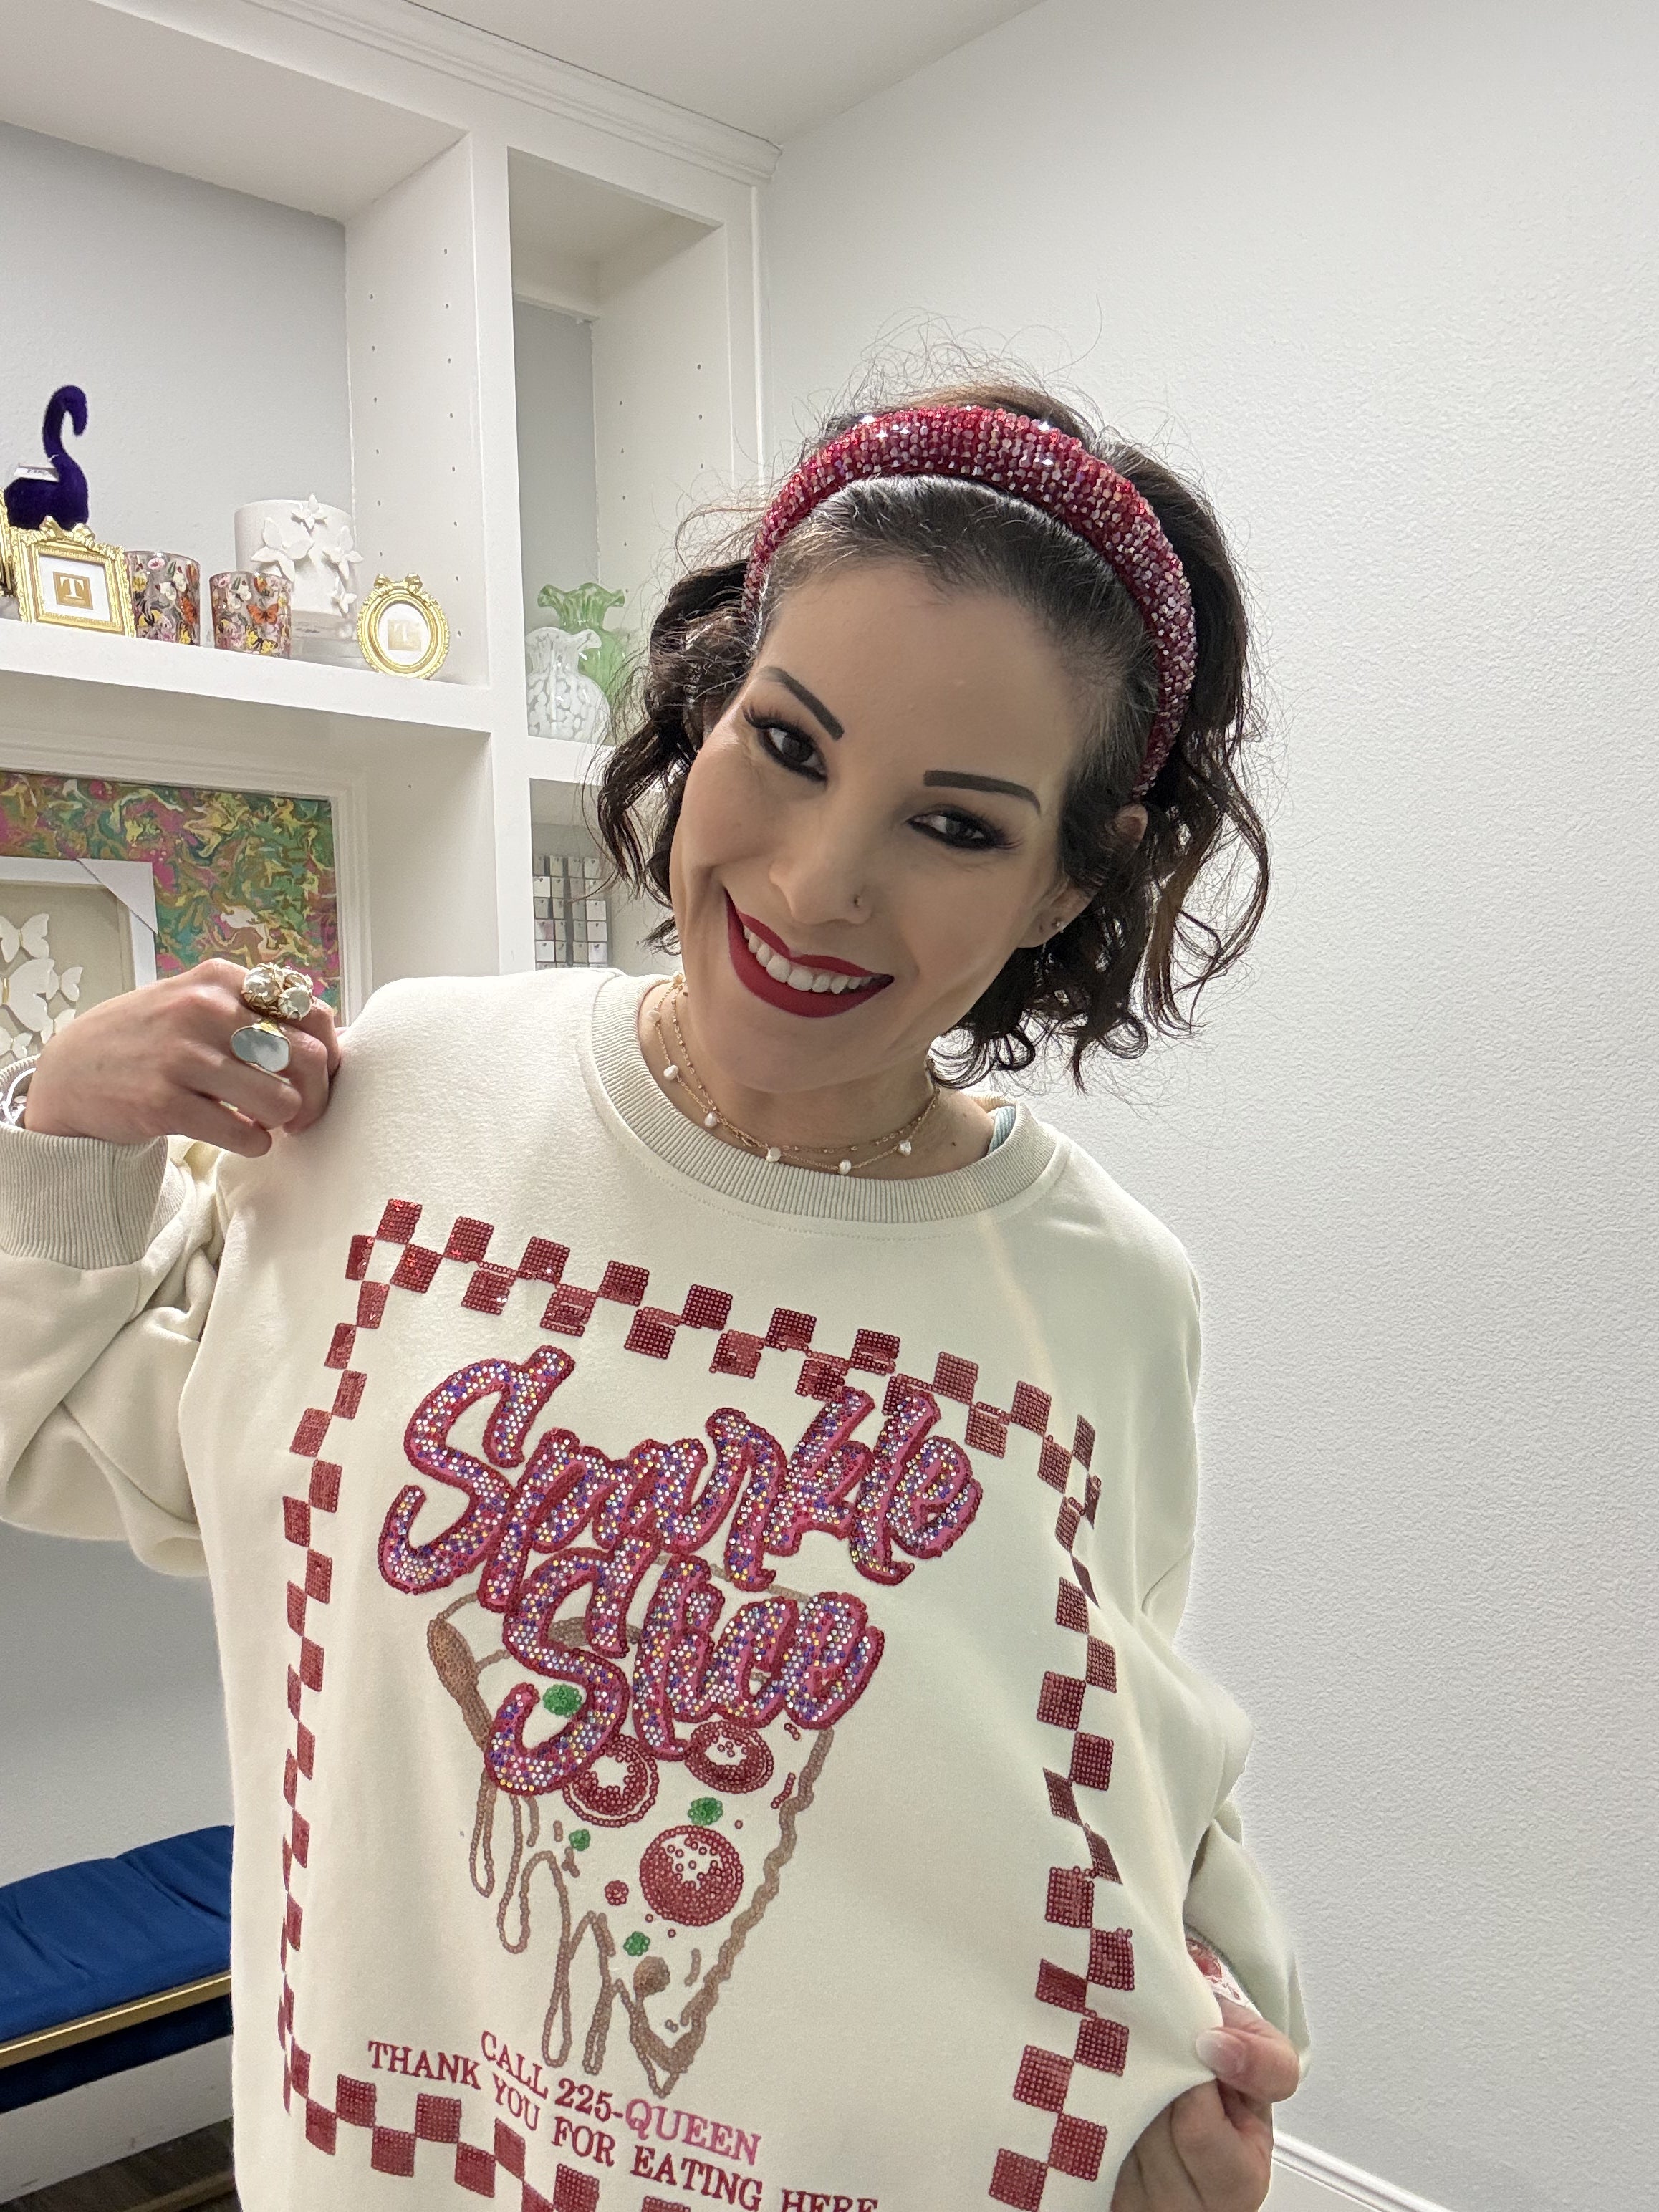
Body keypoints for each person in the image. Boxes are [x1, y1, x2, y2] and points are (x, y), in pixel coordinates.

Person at [0, 380, 1311, 2211]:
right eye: (787, 742)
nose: (818, 880)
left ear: (1065, 881)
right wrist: (62, 1125)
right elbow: (72, 1441)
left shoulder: (1102, 1298)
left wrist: (1186, 2076)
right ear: (709, 702)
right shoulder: (408, 1103)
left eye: (956, 825)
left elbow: (1114, 1777)